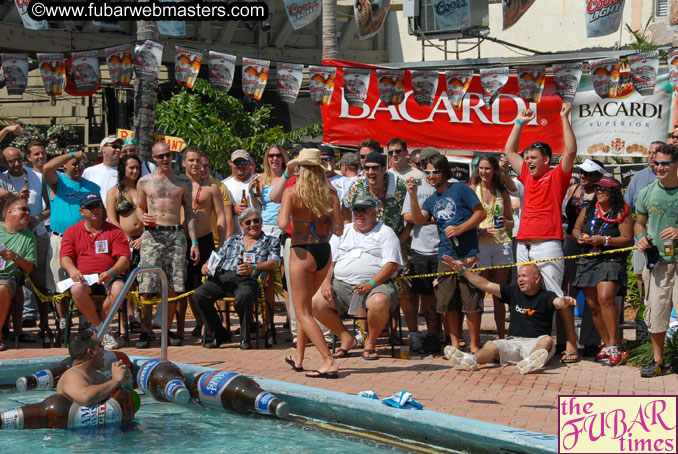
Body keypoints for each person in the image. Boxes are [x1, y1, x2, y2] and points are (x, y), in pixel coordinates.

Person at [503, 103, 580, 363]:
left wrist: (564, 118)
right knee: (525, 293)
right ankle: (529, 342)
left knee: (557, 294)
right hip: (523, 244)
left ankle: (571, 344)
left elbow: (570, 150)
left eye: (533, 158)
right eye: (527, 159)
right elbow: (509, 150)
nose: (528, 162)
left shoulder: (558, 176)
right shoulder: (526, 174)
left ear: (546, 160)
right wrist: (520, 121)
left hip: (548, 244)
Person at [407, 153, 485, 352]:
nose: (431, 176)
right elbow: (418, 220)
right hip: (445, 255)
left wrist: (461, 228)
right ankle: (454, 344)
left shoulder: (459, 188)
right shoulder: (432, 199)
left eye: (435, 172)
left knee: (471, 303)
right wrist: (413, 196)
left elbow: (480, 212)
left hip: (468, 254)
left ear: (444, 172)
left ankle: (475, 346)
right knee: (447, 304)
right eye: (428, 172)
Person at [442, 259, 576, 374]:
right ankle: (470, 359)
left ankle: (529, 362)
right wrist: (463, 271)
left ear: (537, 279)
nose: (520, 279)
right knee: (491, 345)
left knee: (547, 340)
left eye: (524, 276)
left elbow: (558, 303)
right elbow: (486, 285)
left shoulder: (547, 296)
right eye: (518, 276)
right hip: (513, 342)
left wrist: (565, 302)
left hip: (535, 343)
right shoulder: (513, 292)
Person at [278, 148, 343, 378]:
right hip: (323, 249)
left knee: (303, 311)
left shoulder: (293, 193)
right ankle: (299, 357)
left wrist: (299, 219)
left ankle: (328, 360)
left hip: (302, 250)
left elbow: (281, 223)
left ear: (301, 169)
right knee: (305, 306)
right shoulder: (331, 193)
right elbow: (339, 229)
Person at [313, 195, 403, 360]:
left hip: (377, 284)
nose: (359, 214)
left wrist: (371, 283)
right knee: (316, 302)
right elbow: (329, 262)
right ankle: (346, 338)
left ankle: (371, 343)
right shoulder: (343, 232)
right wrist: (325, 282)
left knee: (378, 302)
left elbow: (391, 265)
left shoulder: (385, 232)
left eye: (364, 210)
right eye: (356, 210)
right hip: (342, 284)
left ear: (374, 212)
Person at [134, 142, 199, 349]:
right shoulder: (145, 181)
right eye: (160, 156)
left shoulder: (183, 181)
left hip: (175, 233)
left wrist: (194, 241)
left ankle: (167, 329)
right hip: (152, 235)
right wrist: (141, 217)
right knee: (147, 284)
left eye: (168, 155)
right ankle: (146, 330)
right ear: (153, 158)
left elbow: (189, 214)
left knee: (174, 285)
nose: (165, 159)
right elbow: (138, 206)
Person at [194, 207, 280, 350]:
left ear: (261, 222)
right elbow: (216, 257)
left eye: (256, 220)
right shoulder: (232, 240)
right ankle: (219, 333)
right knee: (199, 295)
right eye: (248, 222)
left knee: (244, 296)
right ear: (242, 226)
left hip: (248, 280)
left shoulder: (270, 241)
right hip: (223, 277)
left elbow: (275, 262)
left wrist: (255, 267)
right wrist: (206, 265)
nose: (253, 224)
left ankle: (245, 337)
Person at [572, 177, 633, 366]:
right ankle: (606, 344)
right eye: (597, 188)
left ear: (613, 192)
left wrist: (604, 240)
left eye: (603, 189)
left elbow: (627, 239)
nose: (598, 191)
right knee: (593, 306)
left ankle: (614, 344)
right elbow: (575, 229)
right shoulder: (588, 209)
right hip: (588, 259)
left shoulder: (621, 212)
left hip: (611, 259)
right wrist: (581, 236)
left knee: (606, 298)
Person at [60, 193, 131, 349]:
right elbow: (65, 257)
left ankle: (99, 329)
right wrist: (72, 270)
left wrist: (112, 272)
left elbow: (124, 259)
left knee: (119, 289)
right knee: (77, 290)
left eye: (97, 205)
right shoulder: (72, 231)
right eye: (90, 206)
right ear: (82, 211)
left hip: (110, 276)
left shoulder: (115, 231)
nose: (95, 209)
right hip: (84, 278)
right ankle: (102, 331)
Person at [172, 146, 227, 346]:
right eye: (191, 160)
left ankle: (208, 324)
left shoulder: (211, 187)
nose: (195, 164)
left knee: (206, 284)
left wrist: (222, 244)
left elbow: (221, 216)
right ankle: (179, 329)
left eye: (198, 161)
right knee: (181, 286)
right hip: (181, 240)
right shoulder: (176, 185)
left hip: (205, 239)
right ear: (184, 163)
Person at [634, 144, 678, 377]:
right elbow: (638, 222)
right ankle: (658, 361)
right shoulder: (647, 192)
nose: (659, 167)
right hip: (659, 263)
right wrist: (641, 237)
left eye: (665, 164)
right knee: (657, 314)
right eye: (656, 163)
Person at [43, 148, 100, 322]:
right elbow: (47, 168)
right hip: (60, 239)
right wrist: (74, 154)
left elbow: (99, 212)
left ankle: (86, 323)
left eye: (81, 164)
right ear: (64, 164)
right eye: (74, 164)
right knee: (59, 285)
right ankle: (62, 324)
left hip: (85, 240)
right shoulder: (58, 181)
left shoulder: (92, 187)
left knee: (85, 282)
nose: (78, 167)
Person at [2, 146, 50, 334]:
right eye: (10, 161)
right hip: (8, 236)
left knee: (40, 282)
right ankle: (9, 328)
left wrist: (38, 218)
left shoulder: (37, 177)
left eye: (19, 159)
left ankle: (45, 325)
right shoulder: (2, 178)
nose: (16, 164)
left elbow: (50, 206)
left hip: (36, 233)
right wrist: (15, 197)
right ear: (4, 162)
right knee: (11, 281)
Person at [561, 159, 606, 356]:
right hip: (572, 242)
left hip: (594, 246)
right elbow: (563, 214)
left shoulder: (604, 193)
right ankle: (565, 340)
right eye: (581, 172)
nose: (583, 176)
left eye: (588, 173)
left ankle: (590, 341)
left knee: (592, 294)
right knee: (567, 290)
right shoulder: (573, 189)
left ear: (599, 176)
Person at [470, 154, 515, 339]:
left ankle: (501, 336)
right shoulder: (472, 189)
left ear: (495, 170)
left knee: (498, 292)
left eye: (487, 168)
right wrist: (479, 232)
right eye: (481, 168)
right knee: (479, 292)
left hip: (501, 243)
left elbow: (511, 223)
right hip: (480, 243)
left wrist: (506, 222)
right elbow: (466, 221)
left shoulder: (502, 192)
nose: (484, 172)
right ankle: (476, 337)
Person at [402, 151, 443, 346]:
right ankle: (431, 337)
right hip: (421, 250)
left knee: (446, 299)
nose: (429, 171)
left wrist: (424, 217)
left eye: (433, 167)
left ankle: (446, 336)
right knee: (426, 300)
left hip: (443, 249)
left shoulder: (448, 187)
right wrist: (432, 217)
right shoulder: (416, 185)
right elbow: (407, 216)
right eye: (423, 166)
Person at [106, 154, 144, 336]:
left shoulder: (144, 188)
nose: (135, 171)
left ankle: (138, 318)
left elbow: (154, 213)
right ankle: (122, 322)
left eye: (137, 168)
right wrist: (126, 238)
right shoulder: (114, 192)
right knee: (124, 281)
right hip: (123, 241)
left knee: (141, 283)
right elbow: (112, 219)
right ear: (123, 169)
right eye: (131, 168)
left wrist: (144, 237)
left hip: (144, 239)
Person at [56, 328, 132, 407]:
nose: (104, 349)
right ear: (91, 353)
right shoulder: (72, 375)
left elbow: (126, 404)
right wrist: (116, 380)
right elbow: (86, 398)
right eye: (100, 345)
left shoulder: (99, 376)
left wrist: (126, 384)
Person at [624, 141, 661, 302]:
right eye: (650, 152)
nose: (652, 156)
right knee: (641, 272)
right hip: (641, 237)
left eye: (656, 152)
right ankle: (644, 306)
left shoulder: (672, 177)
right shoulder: (638, 177)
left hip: (665, 238)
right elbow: (627, 207)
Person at [0, 194, 36, 351]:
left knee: (2, 289)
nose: (28, 213)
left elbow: (29, 268)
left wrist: (16, 258)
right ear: (9, 211)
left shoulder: (29, 237)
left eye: (29, 211)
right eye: (23, 209)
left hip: (8, 277)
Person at [82, 136, 123, 209]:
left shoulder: (125, 171)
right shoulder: (89, 172)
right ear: (103, 149)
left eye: (120, 147)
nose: (118, 150)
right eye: (114, 146)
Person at [222, 149, 254, 233]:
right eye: (236, 162)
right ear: (231, 163)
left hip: (258, 236)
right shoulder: (224, 185)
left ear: (249, 163)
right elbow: (219, 213)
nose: (240, 165)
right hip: (235, 238)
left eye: (243, 162)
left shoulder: (259, 181)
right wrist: (233, 210)